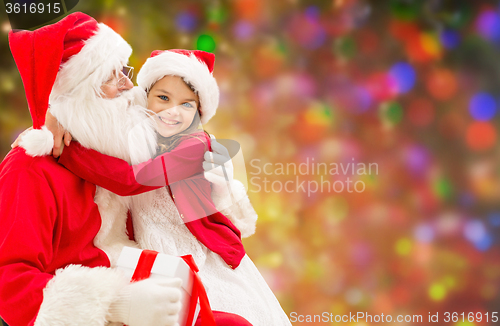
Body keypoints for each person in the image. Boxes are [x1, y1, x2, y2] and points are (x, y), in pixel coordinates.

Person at [45, 49, 292, 326]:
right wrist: (58, 117)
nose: (173, 111)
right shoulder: (141, 133)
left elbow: (131, 180)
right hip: (152, 249)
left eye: (187, 105)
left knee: (221, 313)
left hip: (197, 254)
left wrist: (66, 151)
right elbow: (98, 118)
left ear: (199, 112)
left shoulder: (195, 145)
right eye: (163, 98)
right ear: (144, 97)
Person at [0, 12, 180, 326]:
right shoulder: (29, 169)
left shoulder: (108, 152)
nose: (128, 86)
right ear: (80, 91)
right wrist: (114, 306)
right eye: (113, 76)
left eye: (125, 71)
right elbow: (9, 282)